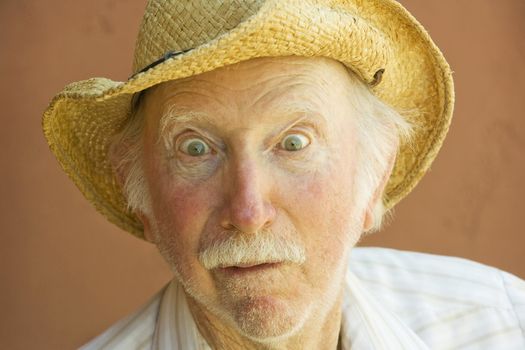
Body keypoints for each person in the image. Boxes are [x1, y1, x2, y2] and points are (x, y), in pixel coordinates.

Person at [42, 0, 525, 349]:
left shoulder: (506, 324)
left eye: (294, 143)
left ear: (375, 174)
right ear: (141, 197)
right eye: (195, 148)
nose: (248, 211)